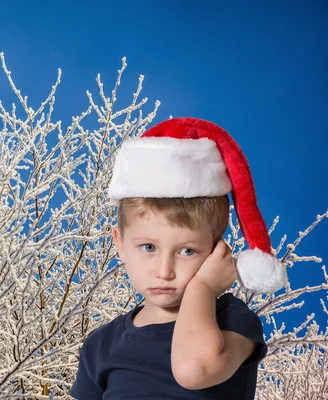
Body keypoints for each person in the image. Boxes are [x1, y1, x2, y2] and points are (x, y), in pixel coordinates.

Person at [69, 118, 289, 399]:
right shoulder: (100, 345)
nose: (164, 271)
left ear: (215, 253)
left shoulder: (233, 321)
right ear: (120, 244)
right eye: (148, 247)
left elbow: (193, 370)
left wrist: (204, 287)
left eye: (187, 251)